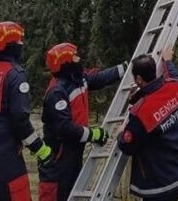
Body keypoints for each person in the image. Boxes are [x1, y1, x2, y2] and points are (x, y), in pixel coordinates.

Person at [0, 21, 50, 201]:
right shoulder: (15, 74)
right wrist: (41, 150)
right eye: (19, 42)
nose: (21, 45)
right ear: (11, 46)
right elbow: (19, 120)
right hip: (4, 158)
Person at [38, 42, 128, 201]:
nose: (79, 59)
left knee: (74, 193)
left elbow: (99, 78)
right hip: (58, 156)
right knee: (57, 195)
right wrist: (92, 134)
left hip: (73, 150)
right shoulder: (57, 91)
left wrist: (125, 68)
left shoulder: (78, 79)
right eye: (75, 57)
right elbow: (64, 128)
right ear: (66, 64)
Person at [117, 48, 178, 201]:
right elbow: (175, 76)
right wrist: (167, 60)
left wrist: (121, 133)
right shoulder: (173, 88)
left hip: (159, 185)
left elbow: (128, 145)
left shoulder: (141, 113)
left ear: (138, 79)